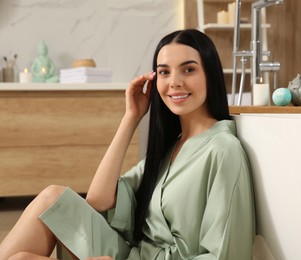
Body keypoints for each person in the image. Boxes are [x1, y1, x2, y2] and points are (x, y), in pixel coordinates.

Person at [0, 29, 255, 260]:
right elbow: (98, 200)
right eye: (164, 72)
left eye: (188, 69)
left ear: (210, 75)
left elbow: (225, 254)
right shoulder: (172, 148)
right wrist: (131, 117)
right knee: (52, 199)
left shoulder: (223, 150)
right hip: (131, 255)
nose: (174, 81)